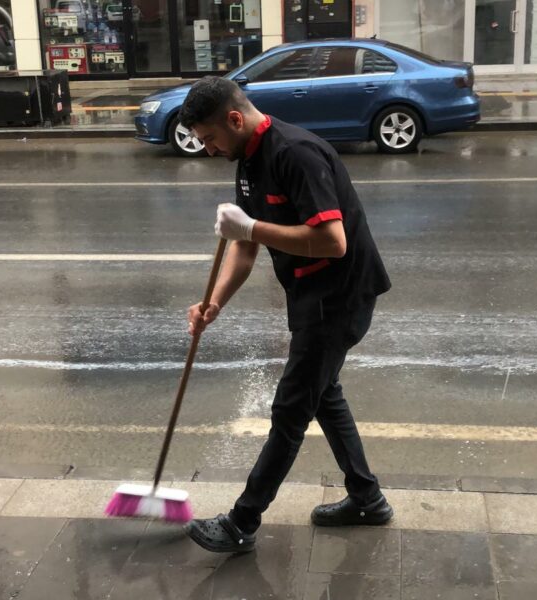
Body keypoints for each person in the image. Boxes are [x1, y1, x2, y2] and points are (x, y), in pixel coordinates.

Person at [180, 76, 393, 553]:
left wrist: (251, 227)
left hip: (339, 296)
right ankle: (367, 499)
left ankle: (241, 523)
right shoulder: (247, 159)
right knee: (324, 395)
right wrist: (215, 302)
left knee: (291, 409)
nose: (209, 149)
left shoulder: (296, 154)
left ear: (234, 119)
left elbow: (333, 242)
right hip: (310, 293)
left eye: (210, 138)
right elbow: (244, 245)